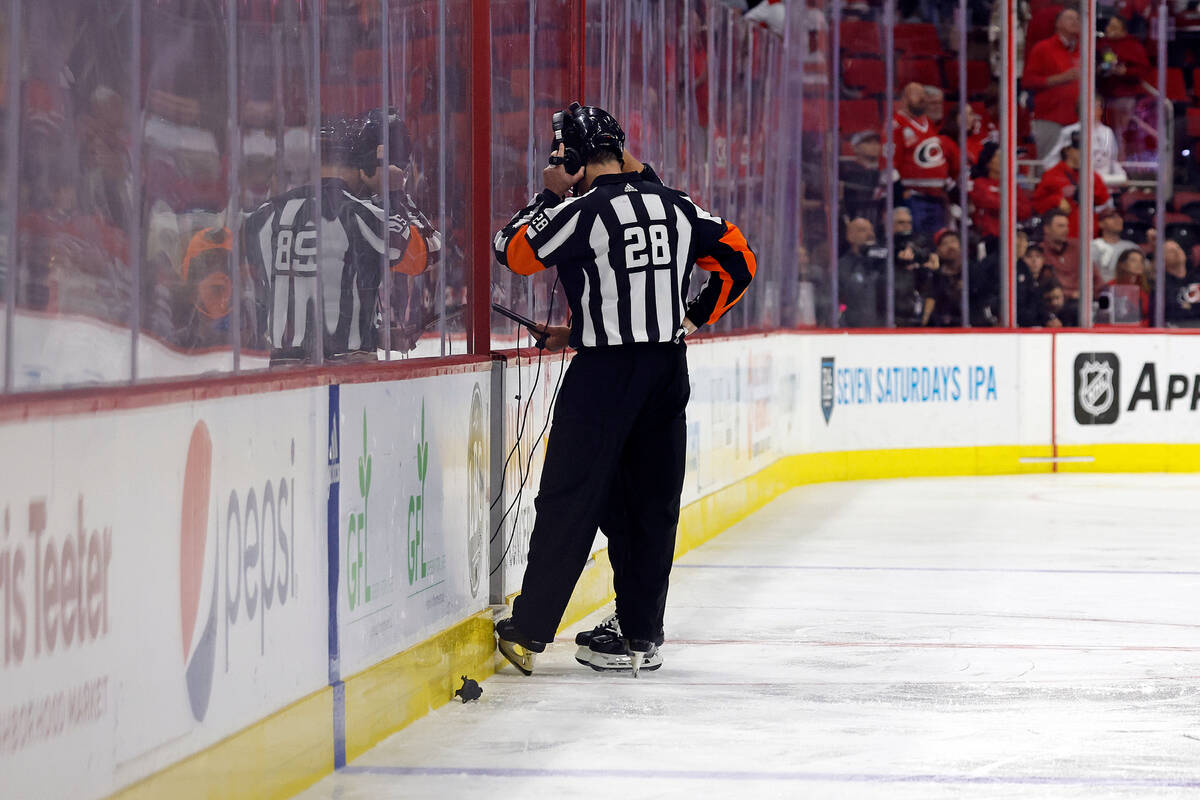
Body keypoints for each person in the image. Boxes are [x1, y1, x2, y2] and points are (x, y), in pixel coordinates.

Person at [492, 104, 755, 677]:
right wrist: (689, 318)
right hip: (665, 370)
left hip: (603, 376)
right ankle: (642, 634)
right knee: (650, 505)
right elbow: (740, 261)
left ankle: (531, 629)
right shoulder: (679, 205)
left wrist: (547, 197)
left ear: (574, 158)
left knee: (571, 495)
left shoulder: (581, 208)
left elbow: (512, 251)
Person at [243, 115, 425, 362]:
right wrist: (395, 191)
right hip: (351, 368)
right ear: (365, 163)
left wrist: (377, 333)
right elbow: (422, 254)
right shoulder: (367, 216)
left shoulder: (263, 216)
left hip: (283, 369)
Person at [891, 82, 952, 235]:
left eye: (924, 95)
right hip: (914, 198)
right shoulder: (896, 124)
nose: (923, 99)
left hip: (937, 198)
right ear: (904, 99)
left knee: (938, 240)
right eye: (917, 94)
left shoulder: (928, 123)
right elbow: (889, 162)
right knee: (917, 239)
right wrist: (900, 191)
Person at [1022, 8, 1082, 160]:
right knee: (1048, 162)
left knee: (1077, 164)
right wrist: (1060, 78)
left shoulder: (1084, 49)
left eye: (1078, 19)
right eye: (1070, 18)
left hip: (1078, 119)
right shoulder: (1043, 48)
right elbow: (1028, 81)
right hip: (1050, 118)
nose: (1076, 22)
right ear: (1058, 23)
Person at [1033, 130, 1112, 240]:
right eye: (1078, 149)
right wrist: (1057, 200)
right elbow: (1037, 204)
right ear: (1067, 150)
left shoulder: (1091, 175)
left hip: (1089, 234)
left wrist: (1085, 192)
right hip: (1064, 237)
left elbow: (1103, 198)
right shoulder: (1052, 174)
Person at [1042, 96, 1127, 188]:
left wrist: (1121, 176)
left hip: (1104, 184)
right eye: (1095, 107)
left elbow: (1112, 160)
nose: (1099, 111)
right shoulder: (1070, 131)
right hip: (1078, 185)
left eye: (1099, 107)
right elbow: (1050, 161)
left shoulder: (1107, 132)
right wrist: (1063, 180)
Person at [838, 216, 886, 327]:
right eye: (863, 230)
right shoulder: (842, 266)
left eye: (871, 230)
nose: (870, 234)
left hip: (883, 331)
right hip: (853, 331)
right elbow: (838, 301)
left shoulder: (885, 262)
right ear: (850, 237)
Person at [841, 130, 884, 227]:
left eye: (877, 143)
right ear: (855, 148)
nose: (874, 146)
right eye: (868, 142)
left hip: (880, 222)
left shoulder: (886, 172)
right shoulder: (847, 172)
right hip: (856, 221)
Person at [1101, 247, 1150, 325]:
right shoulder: (1109, 287)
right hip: (1117, 330)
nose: (1139, 264)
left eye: (1141, 261)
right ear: (1122, 264)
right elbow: (1102, 315)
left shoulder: (1147, 288)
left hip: (1144, 331)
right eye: (1133, 260)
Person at [1092, 206, 1137, 283]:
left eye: (1120, 216)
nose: (1118, 220)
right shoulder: (1094, 246)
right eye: (1112, 217)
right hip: (1101, 291)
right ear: (1100, 224)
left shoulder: (1131, 247)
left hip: (1127, 289)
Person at [1163, 239, 1200, 324]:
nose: (1176, 252)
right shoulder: (1161, 284)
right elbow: (1169, 312)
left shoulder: (1197, 279)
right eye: (1171, 251)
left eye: (1178, 248)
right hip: (1173, 329)